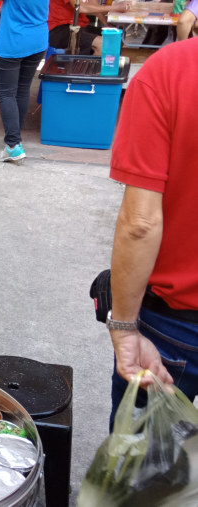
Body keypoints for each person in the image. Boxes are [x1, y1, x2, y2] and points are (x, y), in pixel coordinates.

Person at [106, 37, 198, 428]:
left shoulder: (171, 69)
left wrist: (124, 325)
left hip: (176, 322)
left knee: (145, 468)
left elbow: (140, 224)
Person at [0, 0, 48, 162]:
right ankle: (16, 139)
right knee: (22, 90)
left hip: (12, 40)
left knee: (6, 94)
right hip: (38, 39)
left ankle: (13, 145)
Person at [47, 0, 131, 54]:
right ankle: (92, 77)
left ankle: (101, 69)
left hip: (78, 26)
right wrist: (116, 8)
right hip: (58, 28)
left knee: (116, 36)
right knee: (103, 44)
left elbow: (94, 7)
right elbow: (80, 7)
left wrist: (107, 23)